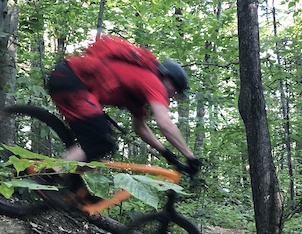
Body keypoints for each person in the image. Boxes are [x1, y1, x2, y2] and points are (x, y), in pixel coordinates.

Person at [46, 35, 201, 176]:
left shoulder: (139, 93)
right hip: (71, 81)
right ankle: (48, 175)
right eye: (175, 90)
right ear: (168, 80)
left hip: (65, 79)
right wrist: (190, 156)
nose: (173, 95)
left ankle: (71, 192)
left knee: (101, 148)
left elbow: (140, 128)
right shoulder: (153, 82)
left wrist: (167, 153)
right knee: (100, 141)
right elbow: (165, 124)